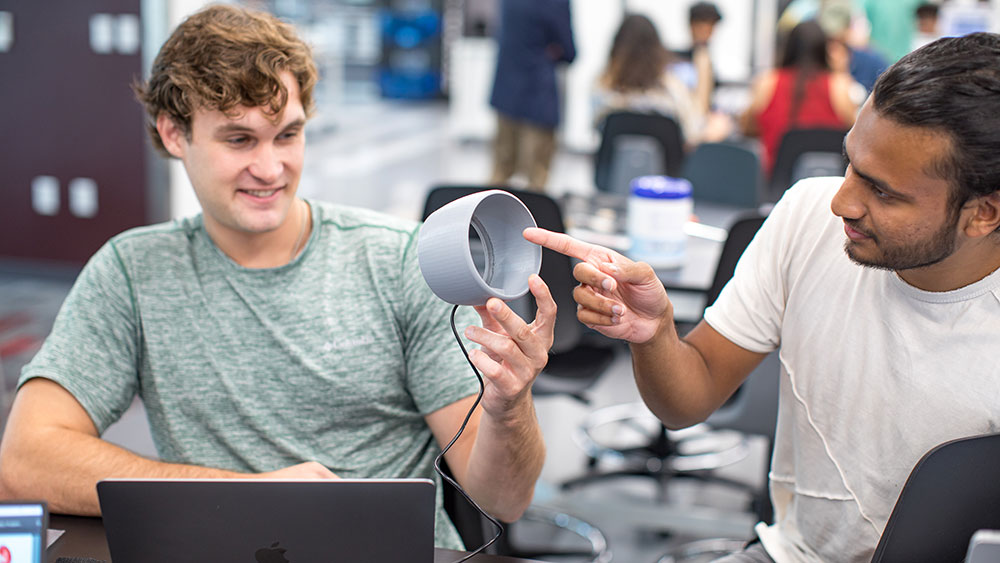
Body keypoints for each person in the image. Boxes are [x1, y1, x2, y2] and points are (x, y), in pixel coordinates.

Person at [0, 5, 556, 552]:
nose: (270, 169)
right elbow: (25, 463)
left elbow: (502, 501)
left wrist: (510, 406)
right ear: (173, 134)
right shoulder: (133, 271)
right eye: (238, 140)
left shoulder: (396, 260)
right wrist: (251, 496)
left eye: (286, 135)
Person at [526, 32, 1000, 563]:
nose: (842, 201)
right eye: (849, 164)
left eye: (883, 191)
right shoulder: (806, 217)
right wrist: (654, 334)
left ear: (984, 212)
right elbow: (689, 398)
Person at [740, 19, 859, 176]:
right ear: (824, 50)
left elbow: (747, 127)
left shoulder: (768, 82)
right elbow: (856, 137)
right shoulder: (839, 86)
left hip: (775, 185)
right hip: (826, 185)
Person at [488, 0, 575, 192]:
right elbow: (569, 51)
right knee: (536, 179)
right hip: (538, 94)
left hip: (506, 89)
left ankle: (487, 220)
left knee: (499, 172)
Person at [592, 13, 707, 146]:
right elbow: (693, 131)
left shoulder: (601, 89)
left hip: (612, 165)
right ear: (658, 49)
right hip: (666, 166)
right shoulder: (672, 89)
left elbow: (595, 129)